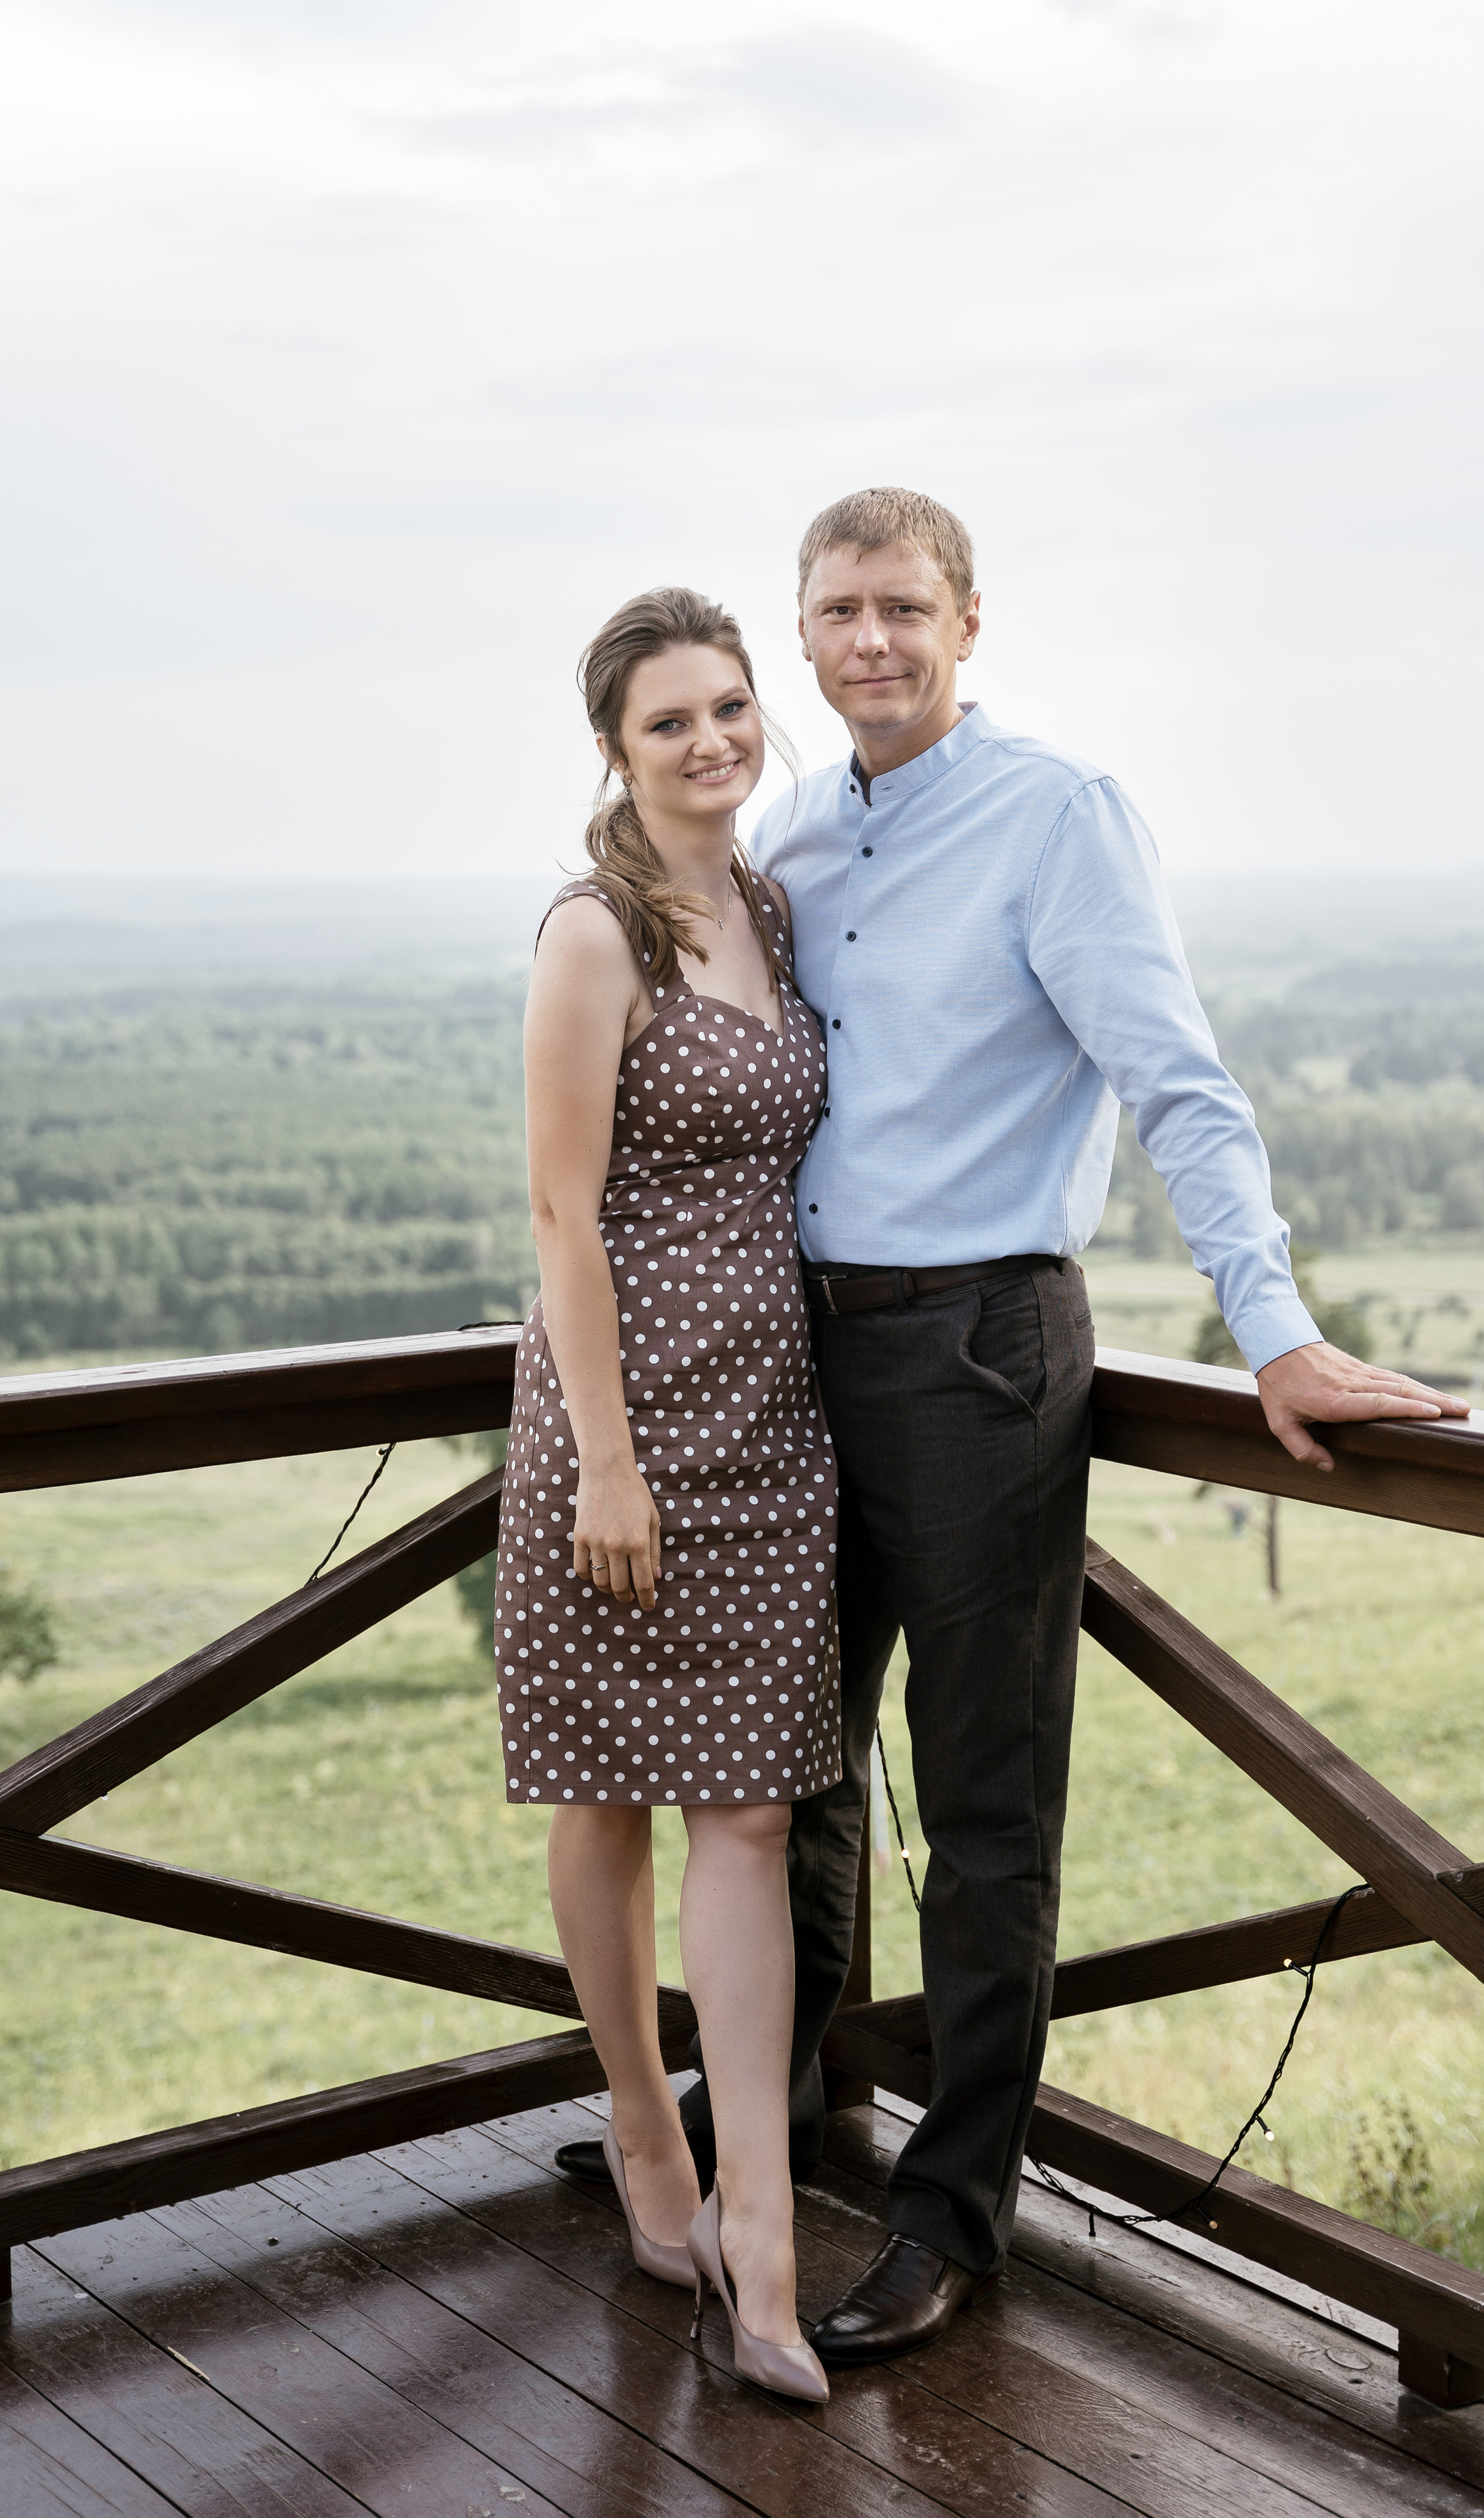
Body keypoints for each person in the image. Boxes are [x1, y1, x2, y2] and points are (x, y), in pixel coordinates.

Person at [557, 489, 1466, 2370]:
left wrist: (1276, 1330)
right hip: (794, 1364)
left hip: (979, 1353)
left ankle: (952, 2214)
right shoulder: (791, 832)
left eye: (904, 605)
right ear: (802, 642)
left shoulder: (1061, 815)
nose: (870, 638)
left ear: (971, 621)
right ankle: (761, 2133)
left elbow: (1179, 1086)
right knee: (787, 1772)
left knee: (981, 1815)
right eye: (839, 611)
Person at [492, 585, 836, 2402]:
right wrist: (607, 1464)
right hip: (614, 1429)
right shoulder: (592, 931)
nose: (710, 743)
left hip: (773, 1427)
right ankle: (648, 2140)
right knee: (609, 1797)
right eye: (668, 723)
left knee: (756, 1822)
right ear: (616, 752)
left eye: (727, 710)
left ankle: (764, 2236)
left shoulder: (770, 907)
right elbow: (562, 1211)